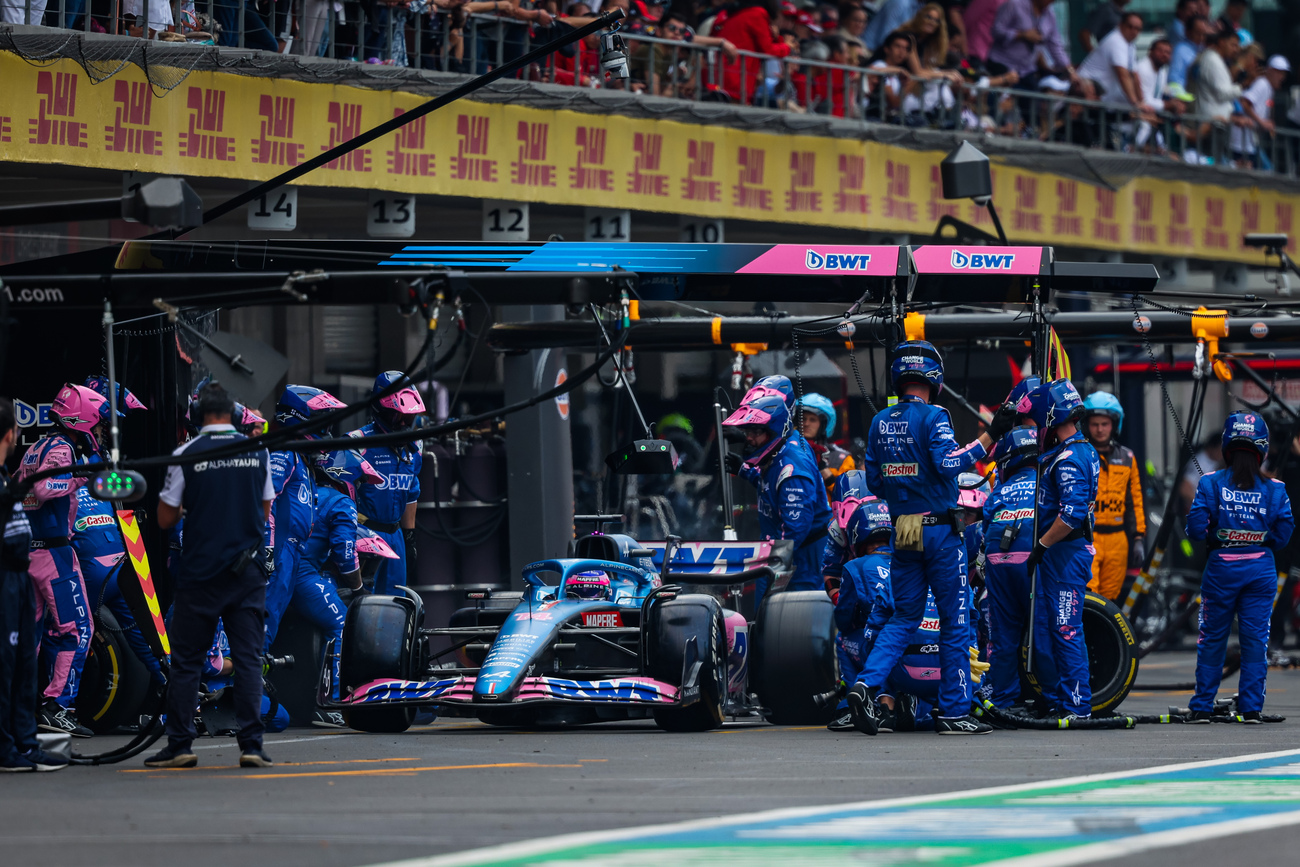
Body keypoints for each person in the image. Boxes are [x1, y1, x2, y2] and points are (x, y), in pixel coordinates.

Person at [849, 340, 1017, 735]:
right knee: (955, 621)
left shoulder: (879, 422)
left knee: (904, 616)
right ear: (934, 378)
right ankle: (954, 712)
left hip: (902, 529)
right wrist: (990, 438)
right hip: (940, 531)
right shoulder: (935, 416)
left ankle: (865, 684)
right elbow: (948, 463)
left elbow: (874, 481)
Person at [147, 382, 275, 769]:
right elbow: (266, 508)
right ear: (234, 415)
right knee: (249, 659)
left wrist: (194, 509)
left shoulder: (186, 454)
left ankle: (180, 746)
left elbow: (165, 518)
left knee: (187, 661)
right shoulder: (256, 451)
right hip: (246, 572)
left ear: (198, 417)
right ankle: (252, 746)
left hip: (200, 575)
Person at [1185, 412, 1293, 723]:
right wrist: (1258, 540)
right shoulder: (1276, 489)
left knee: (1212, 638)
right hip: (1260, 569)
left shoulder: (1210, 483)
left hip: (1221, 569)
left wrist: (1220, 535)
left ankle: (1202, 706)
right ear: (1262, 448)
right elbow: (1284, 535)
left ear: (1227, 445)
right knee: (1255, 641)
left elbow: (1194, 529)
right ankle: (1250, 709)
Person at [17, 384, 105, 739]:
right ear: (83, 419)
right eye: (98, 424)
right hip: (53, 554)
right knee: (79, 630)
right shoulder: (62, 448)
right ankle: (58, 706)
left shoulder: (37, 446)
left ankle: (20, 711)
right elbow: (42, 488)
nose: (99, 431)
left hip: (28, 553)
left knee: (31, 637)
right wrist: (82, 477)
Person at [1023, 379, 1098, 720]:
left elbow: (1071, 515)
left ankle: (1078, 706)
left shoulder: (1069, 456)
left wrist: (1040, 545)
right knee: (1055, 628)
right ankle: (1061, 701)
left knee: (1066, 628)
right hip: (1062, 554)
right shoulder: (1073, 450)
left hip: (1065, 554)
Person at [0, 398, 67, 772]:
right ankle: (7, 747)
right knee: (6, 664)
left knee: (26, 660)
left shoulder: (7, 477)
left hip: (21, 574)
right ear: (11, 433)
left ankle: (25, 743)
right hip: (6, 576)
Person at [723, 381, 832, 607]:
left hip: (799, 560)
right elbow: (771, 487)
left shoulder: (792, 468)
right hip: (778, 553)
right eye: (747, 432)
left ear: (773, 430)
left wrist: (770, 565)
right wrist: (745, 470)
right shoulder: (780, 448)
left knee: (789, 627)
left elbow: (794, 532)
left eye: (754, 432)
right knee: (764, 618)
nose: (748, 438)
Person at [298, 449, 378, 724]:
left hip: (271, 570)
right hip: (301, 573)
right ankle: (330, 703)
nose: (357, 488)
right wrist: (358, 589)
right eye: (357, 482)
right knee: (341, 626)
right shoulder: (341, 502)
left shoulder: (302, 490)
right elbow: (345, 555)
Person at [266, 385, 345, 652]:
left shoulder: (302, 459)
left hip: (293, 555)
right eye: (322, 424)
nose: (327, 432)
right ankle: (243, 688)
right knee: (262, 624)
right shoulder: (284, 452)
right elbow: (266, 499)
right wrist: (267, 549)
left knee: (271, 622)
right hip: (278, 552)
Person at [982, 425, 1046, 710]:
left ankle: (1003, 700)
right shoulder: (1048, 483)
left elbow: (985, 523)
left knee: (1004, 636)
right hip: (1034, 563)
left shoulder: (1000, 490)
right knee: (1043, 630)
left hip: (999, 562)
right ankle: (1054, 699)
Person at [349, 371, 425, 595]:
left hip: (396, 536)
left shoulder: (414, 448)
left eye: (408, 418)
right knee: (362, 604)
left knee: (395, 603)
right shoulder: (356, 443)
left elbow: (412, 493)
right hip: (363, 534)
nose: (403, 423)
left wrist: (409, 538)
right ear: (381, 411)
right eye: (398, 417)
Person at [827, 498, 893, 731]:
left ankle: (856, 703)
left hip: (886, 647)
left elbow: (843, 618)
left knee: (843, 639)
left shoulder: (855, 567)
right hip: (929, 647)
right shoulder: (913, 562)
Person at [1081, 392, 1145, 603]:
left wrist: (1138, 538)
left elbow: (1134, 499)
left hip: (1119, 540)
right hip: (1089, 537)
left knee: (1110, 600)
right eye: (1095, 424)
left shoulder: (1127, 457)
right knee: (1090, 596)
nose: (1100, 429)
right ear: (1087, 425)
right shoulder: (1080, 455)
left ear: (1114, 424)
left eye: (1105, 424)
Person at [1076, 12, 1152, 122]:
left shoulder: (1130, 45)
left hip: (1101, 99)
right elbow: (1123, 76)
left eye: (1137, 29)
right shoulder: (1116, 41)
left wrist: (1142, 102)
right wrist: (1136, 104)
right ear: (1121, 25)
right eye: (1130, 27)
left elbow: (1134, 76)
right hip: (1084, 94)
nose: (1134, 31)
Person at [987, 0, 1076, 87]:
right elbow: (996, 30)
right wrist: (1021, 35)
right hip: (1002, 65)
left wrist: (1070, 70)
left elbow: (1055, 46)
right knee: (1001, 100)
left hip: (1027, 70)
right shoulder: (1014, 4)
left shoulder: (1050, 16)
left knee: (1033, 96)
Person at [822, 469, 873, 598]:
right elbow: (831, 573)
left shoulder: (892, 519)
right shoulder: (836, 531)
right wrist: (841, 602)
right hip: (858, 593)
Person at [795, 393, 855, 493]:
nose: (806, 424)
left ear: (823, 424)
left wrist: (823, 470)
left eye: (812, 420)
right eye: (803, 419)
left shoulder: (842, 459)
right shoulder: (788, 451)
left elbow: (849, 495)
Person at [1191, 28, 1242, 123]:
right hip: (1212, 125)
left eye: (1237, 46)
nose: (1236, 50)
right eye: (1233, 45)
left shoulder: (1216, 59)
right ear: (1222, 42)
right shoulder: (1213, 61)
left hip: (1217, 123)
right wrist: (1242, 86)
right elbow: (1222, 95)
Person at [1169, 14, 1209, 88]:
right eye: (1198, 33)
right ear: (1188, 32)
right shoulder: (1181, 50)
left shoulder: (1205, 48)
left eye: (1204, 34)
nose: (1201, 37)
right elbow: (1174, 79)